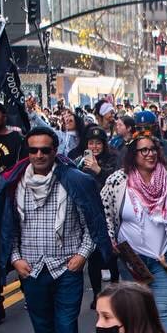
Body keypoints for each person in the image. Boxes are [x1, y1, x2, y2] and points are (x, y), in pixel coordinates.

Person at [0, 128, 111, 333]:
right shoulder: (14, 184)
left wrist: (82, 256)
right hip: (31, 269)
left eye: (45, 150)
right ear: (27, 153)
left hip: (67, 269)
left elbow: (91, 224)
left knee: (66, 330)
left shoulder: (75, 181)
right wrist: (15, 259)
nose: (39, 155)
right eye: (33, 150)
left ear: (55, 151)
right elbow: (8, 226)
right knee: (43, 332)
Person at [100, 132, 167, 333]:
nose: (149, 154)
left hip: (165, 259)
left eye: (153, 149)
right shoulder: (118, 181)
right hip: (132, 261)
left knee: (162, 314)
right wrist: (111, 240)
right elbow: (105, 214)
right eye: (143, 150)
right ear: (133, 155)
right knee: (136, 314)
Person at [73, 126, 121, 302]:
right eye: (91, 143)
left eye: (98, 143)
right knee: (93, 257)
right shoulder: (80, 161)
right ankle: (97, 294)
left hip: (110, 213)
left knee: (111, 254)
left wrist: (98, 169)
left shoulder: (114, 158)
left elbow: (117, 181)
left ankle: (116, 291)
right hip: (89, 212)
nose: (94, 147)